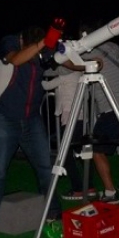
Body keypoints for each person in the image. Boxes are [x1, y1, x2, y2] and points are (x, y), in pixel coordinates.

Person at [0, 22, 64, 238]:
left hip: (32, 119)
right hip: (5, 117)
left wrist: (84, 62)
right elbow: (15, 59)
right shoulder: (10, 42)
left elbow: (65, 62)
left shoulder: (43, 50)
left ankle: (54, 213)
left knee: (46, 167)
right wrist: (44, 42)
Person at [75, 20, 119, 204]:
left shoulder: (89, 53)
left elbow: (70, 64)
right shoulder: (114, 47)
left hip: (111, 108)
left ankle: (110, 192)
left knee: (95, 148)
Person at [41, 63, 97, 201]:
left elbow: (46, 86)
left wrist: (35, 74)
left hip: (70, 118)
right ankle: (89, 187)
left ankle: (78, 188)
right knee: (83, 153)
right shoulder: (80, 75)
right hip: (82, 117)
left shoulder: (64, 76)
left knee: (65, 154)